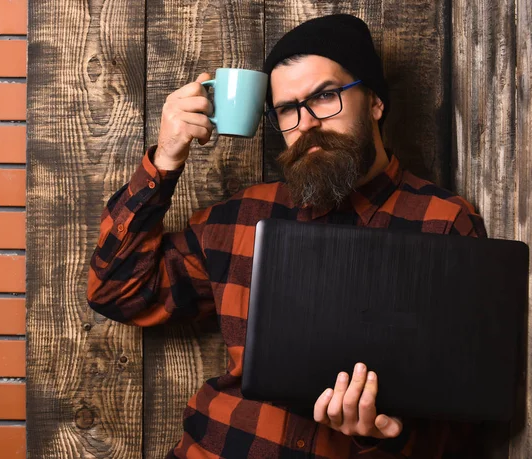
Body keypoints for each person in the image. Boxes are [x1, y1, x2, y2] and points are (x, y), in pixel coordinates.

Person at [87, 13, 487, 458]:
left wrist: (377, 434)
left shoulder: (444, 224)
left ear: (374, 101)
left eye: (325, 96)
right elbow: (116, 291)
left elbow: (464, 417)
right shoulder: (242, 217)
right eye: (288, 108)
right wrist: (164, 160)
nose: (307, 122)